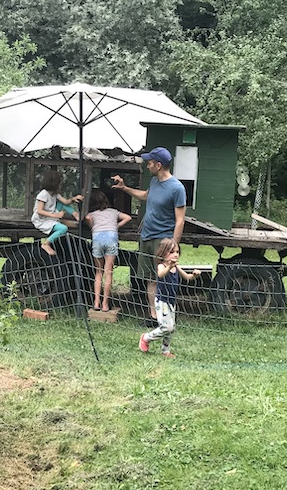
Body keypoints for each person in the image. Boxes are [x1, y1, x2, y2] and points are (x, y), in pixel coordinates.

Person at [111, 146, 186, 322]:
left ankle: (166, 315)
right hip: (147, 236)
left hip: (163, 239)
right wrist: (124, 188)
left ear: (158, 165)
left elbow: (180, 220)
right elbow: (145, 195)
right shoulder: (154, 182)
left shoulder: (177, 188)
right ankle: (153, 316)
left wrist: (173, 246)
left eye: (150, 163)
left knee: (165, 278)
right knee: (150, 279)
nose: (147, 166)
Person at [139, 238, 200, 357]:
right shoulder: (161, 266)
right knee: (167, 327)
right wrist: (169, 266)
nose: (175, 254)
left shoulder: (176, 267)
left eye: (177, 252)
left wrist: (194, 275)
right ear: (162, 253)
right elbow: (161, 275)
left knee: (171, 328)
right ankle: (146, 338)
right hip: (162, 301)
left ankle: (165, 350)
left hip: (171, 301)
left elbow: (187, 277)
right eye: (172, 252)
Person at [85, 189, 132, 311]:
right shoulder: (114, 212)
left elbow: (87, 218)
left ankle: (96, 303)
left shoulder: (93, 214)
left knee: (98, 272)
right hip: (111, 237)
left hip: (97, 238)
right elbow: (128, 217)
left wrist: (92, 226)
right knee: (108, 272)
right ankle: (105, 304)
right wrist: (117, 225)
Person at [31, 169, 82, 256]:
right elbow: (39, 211)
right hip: (42, 219)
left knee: (62, 203)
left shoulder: (55, 194)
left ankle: (75, 214)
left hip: (50, 215)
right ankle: (46, 244)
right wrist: (55, 215)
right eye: (59, 183)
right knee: (63, 229)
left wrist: (73, 199)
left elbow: (66, 202)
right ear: (54, 183)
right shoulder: (43, 194)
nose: (61, 185)